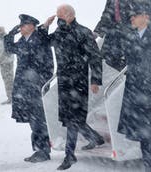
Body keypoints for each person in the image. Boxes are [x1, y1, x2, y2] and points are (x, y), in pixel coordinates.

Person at [44, 4, 105, 170]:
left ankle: (69, 155)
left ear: (70, 15)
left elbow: (95, 57)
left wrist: (95, 80)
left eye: (60, 17)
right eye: (56, 17)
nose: (58, 20)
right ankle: (95, 138)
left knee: (73, 118)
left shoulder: (83, 32)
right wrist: (45, 26)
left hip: (78, 82)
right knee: (69, 118)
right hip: (64, 81)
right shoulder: (58, 32)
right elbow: (44, 42)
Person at [117, 1, 151, 172]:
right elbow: (129, 64)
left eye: (135, 16)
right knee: (145, 144)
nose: (131, 19)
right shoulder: (133, 38)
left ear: (146, 17)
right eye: (131, 17)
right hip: (137, 99)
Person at [4, 14, 54, 163]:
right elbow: (9, 48)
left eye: (23, 25)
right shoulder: (21, 41)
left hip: (36, 87)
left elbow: (48, 65)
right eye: (20, 25)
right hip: (24, 87)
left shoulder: (40, 39)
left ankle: (43, 151)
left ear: (32, 26)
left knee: (39, 120)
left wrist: (41, 83)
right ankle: (39, 150)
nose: (21, 28)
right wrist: (10, 34)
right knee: (33, 120)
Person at [94, 0, 151, 71]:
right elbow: (107, 15)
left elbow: (150, 3)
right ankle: (132, 70)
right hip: (117, 31)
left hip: (134, 26)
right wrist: (97, 32)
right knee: (108, 55)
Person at [0, 26, 14, 105]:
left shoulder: (7, 38)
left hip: (7, 63)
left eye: (0, 31)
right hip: (2, 64)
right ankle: (9, 97)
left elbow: (6, 51)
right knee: (6, 80)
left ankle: (12, 98)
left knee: (9, 81)